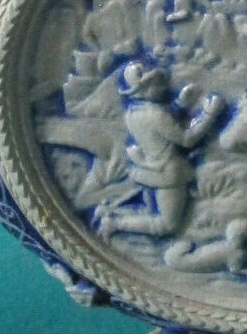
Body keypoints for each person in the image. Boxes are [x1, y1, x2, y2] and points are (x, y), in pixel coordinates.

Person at [95, 64, 221, 239]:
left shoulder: (131, 112)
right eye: (158, 84)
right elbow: (187, 139)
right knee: (167, 224)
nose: (163, 87)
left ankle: (111, 212)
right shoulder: (156, 115)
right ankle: (114, 224)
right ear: (146, 88)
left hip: (148, 168)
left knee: (151, 211)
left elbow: (158, 129)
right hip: (167, 173)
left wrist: (179, 104)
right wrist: (209, 115)